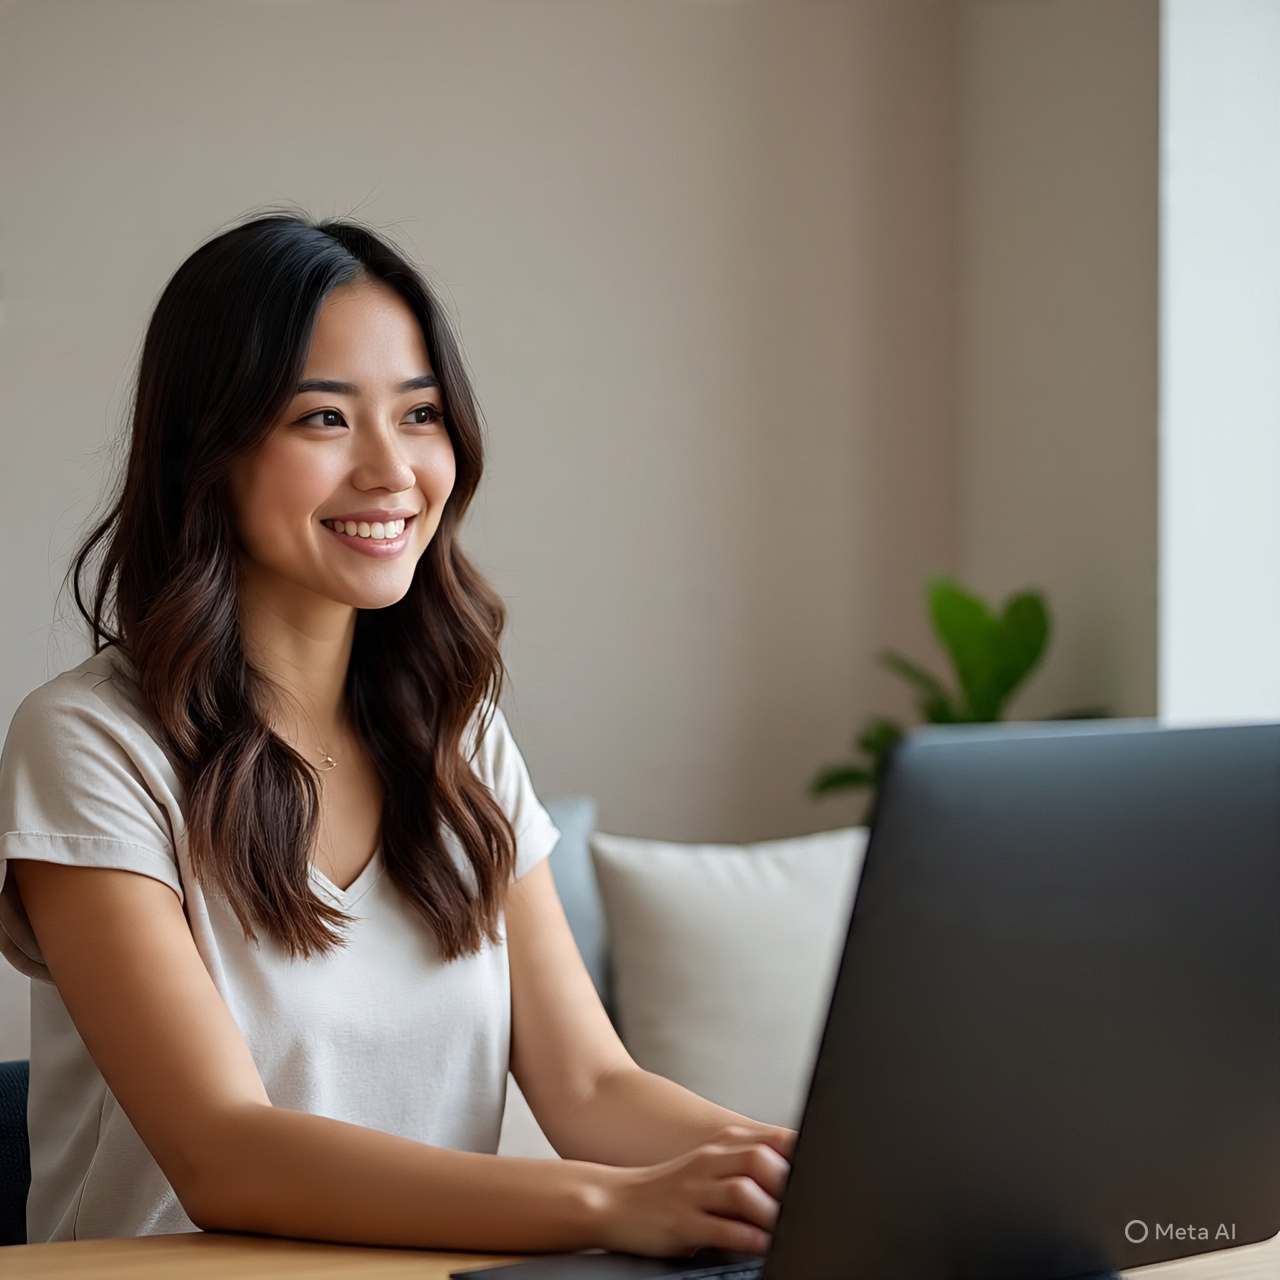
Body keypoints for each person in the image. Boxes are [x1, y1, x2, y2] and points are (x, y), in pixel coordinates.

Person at [0, 214, 793, 1250]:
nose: (391, 469)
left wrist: (791, 1166)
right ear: (210, 447)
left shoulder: (455, 732)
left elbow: (591, 1084)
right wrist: (607, 1203)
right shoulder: (90, 743)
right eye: (322, 419)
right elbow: (221, 1152)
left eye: (419, 414)